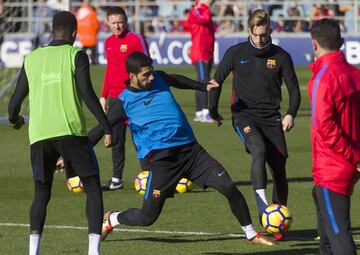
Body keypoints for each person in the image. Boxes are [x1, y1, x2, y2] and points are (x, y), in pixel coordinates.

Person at [100, 52, 275, 246]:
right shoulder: (124, 101)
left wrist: (203, 86)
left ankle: (251, 234)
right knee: (147, 218)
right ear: (132, 76)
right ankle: (112, 219)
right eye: (145, 75)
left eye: (151, 72)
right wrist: (74, 154)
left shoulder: (159, 78)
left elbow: (176, 80)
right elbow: (101, 126)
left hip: (192, 153)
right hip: (163, 162)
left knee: (228, 187)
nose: (151, 78)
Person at [7, 11, 112, 255]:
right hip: (71, 132)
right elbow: (87, 94)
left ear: (52, 31)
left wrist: (16, 120)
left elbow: (14, 104)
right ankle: (93, 251)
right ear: (74, 33)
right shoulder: (76, 54)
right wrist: (106, 126)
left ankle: (33, 251)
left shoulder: (31, 58)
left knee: (41, 192)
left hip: (40, 136)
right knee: (93, 186)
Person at [208, 9, 301, 240]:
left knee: (279, 169)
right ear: (249, 30)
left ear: (269, 30)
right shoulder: (235, 52)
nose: (260, 39)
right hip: (244, 116)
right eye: (256, 34)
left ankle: (277, 224)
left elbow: (295, 91)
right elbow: (215, 82)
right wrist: (213, 111)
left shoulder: (281, 56)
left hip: (272, 119)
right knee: (258, 151)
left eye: (264, 34)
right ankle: (263, 207)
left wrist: (290, 113)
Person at [308, 18, 360, 255]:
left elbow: (325, 128)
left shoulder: (323, 78)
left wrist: (354, 156)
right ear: (341, 42)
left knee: (339, 237)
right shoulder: (354, 74)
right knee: (327, 237)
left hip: (333, 167)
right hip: (344, 165)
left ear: (314, 44)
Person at [88, 7, 149, 191]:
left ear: (126, 21)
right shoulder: (107, 42)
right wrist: (104, 95)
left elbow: (147, 64)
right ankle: (117, 179)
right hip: (114, 98)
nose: (117, 26)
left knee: (140, 137)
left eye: (120, 22)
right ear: (107, 23)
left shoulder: (135, 39)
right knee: (116, 140)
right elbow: (110, 70)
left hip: (134, 97)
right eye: (113, 22)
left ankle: (148, 175)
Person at [188, 0, 215, 123]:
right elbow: (204, 19)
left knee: (201, 81)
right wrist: (203, 6)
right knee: (204, 81)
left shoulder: (202, 10)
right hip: (199, 52)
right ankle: (204, 111)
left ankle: (199, 112)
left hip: (207, 52)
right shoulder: (196, 11)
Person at [75, 0, 101, 64]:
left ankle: (81, 62)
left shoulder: (79, 12)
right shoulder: (92, 12)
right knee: (93, 53)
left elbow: (77, 24)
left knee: (82, 53)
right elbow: (96, 24)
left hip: (82, 37)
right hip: (91, 36)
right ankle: (93, 62)